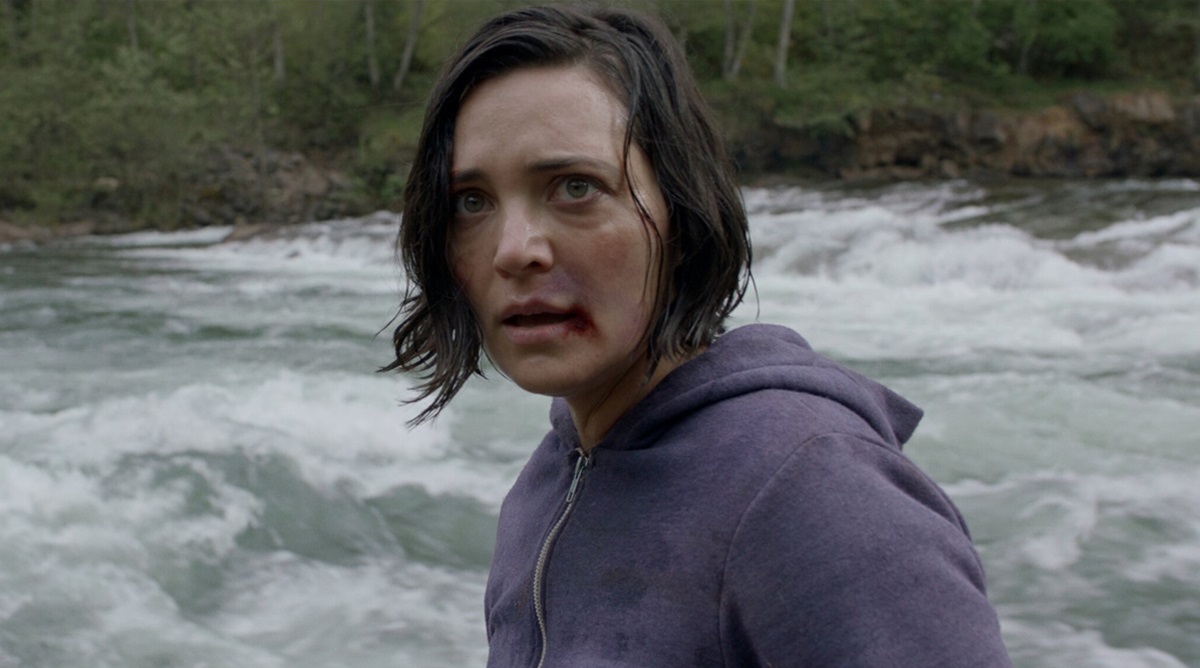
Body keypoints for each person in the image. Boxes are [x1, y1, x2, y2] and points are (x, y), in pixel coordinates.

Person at [384, 5, 1012, 667]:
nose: (514, 250)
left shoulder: (812, 489)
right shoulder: (547, 482)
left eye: (576, 188)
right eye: (472, 202)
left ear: (682, 215)